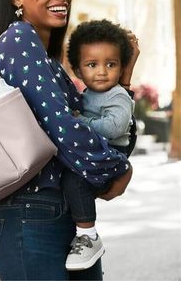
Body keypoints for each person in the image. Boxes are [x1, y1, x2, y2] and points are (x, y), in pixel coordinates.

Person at [0, 0, 139, 281]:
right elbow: (63, 128)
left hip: (62, 218)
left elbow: (102, 126)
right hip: (31, 217)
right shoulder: (19, 39)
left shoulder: (47, 60)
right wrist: (117, 169)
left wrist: (123, 81)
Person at [62, 19, 135, 271]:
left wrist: (81, 122)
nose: (102, 71)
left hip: (113, 152)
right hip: (98, 150)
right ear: (79, 71)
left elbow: (115, 127)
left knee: (76, 179)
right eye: (92, 65)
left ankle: (88, 234)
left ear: (121, 66)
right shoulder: (87, 95)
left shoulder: (118, 95)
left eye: (110, 64)